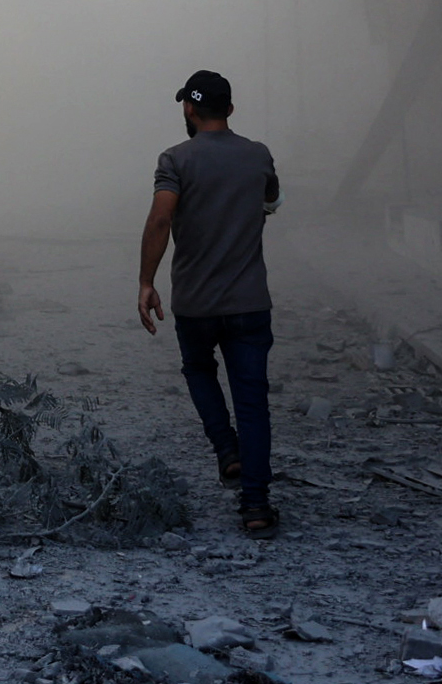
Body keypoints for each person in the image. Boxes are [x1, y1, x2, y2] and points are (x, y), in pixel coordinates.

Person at [136, 69, 281, 538]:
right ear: (231, 110)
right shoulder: (258, 155)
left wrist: (146, 280)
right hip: (249, 301)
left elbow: (161, 220)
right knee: (253, 401)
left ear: (189, 110)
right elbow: (271, 201)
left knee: (199, 371)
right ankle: (256, 507)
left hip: (196, 304)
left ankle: (227, 450)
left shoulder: (175, 159)